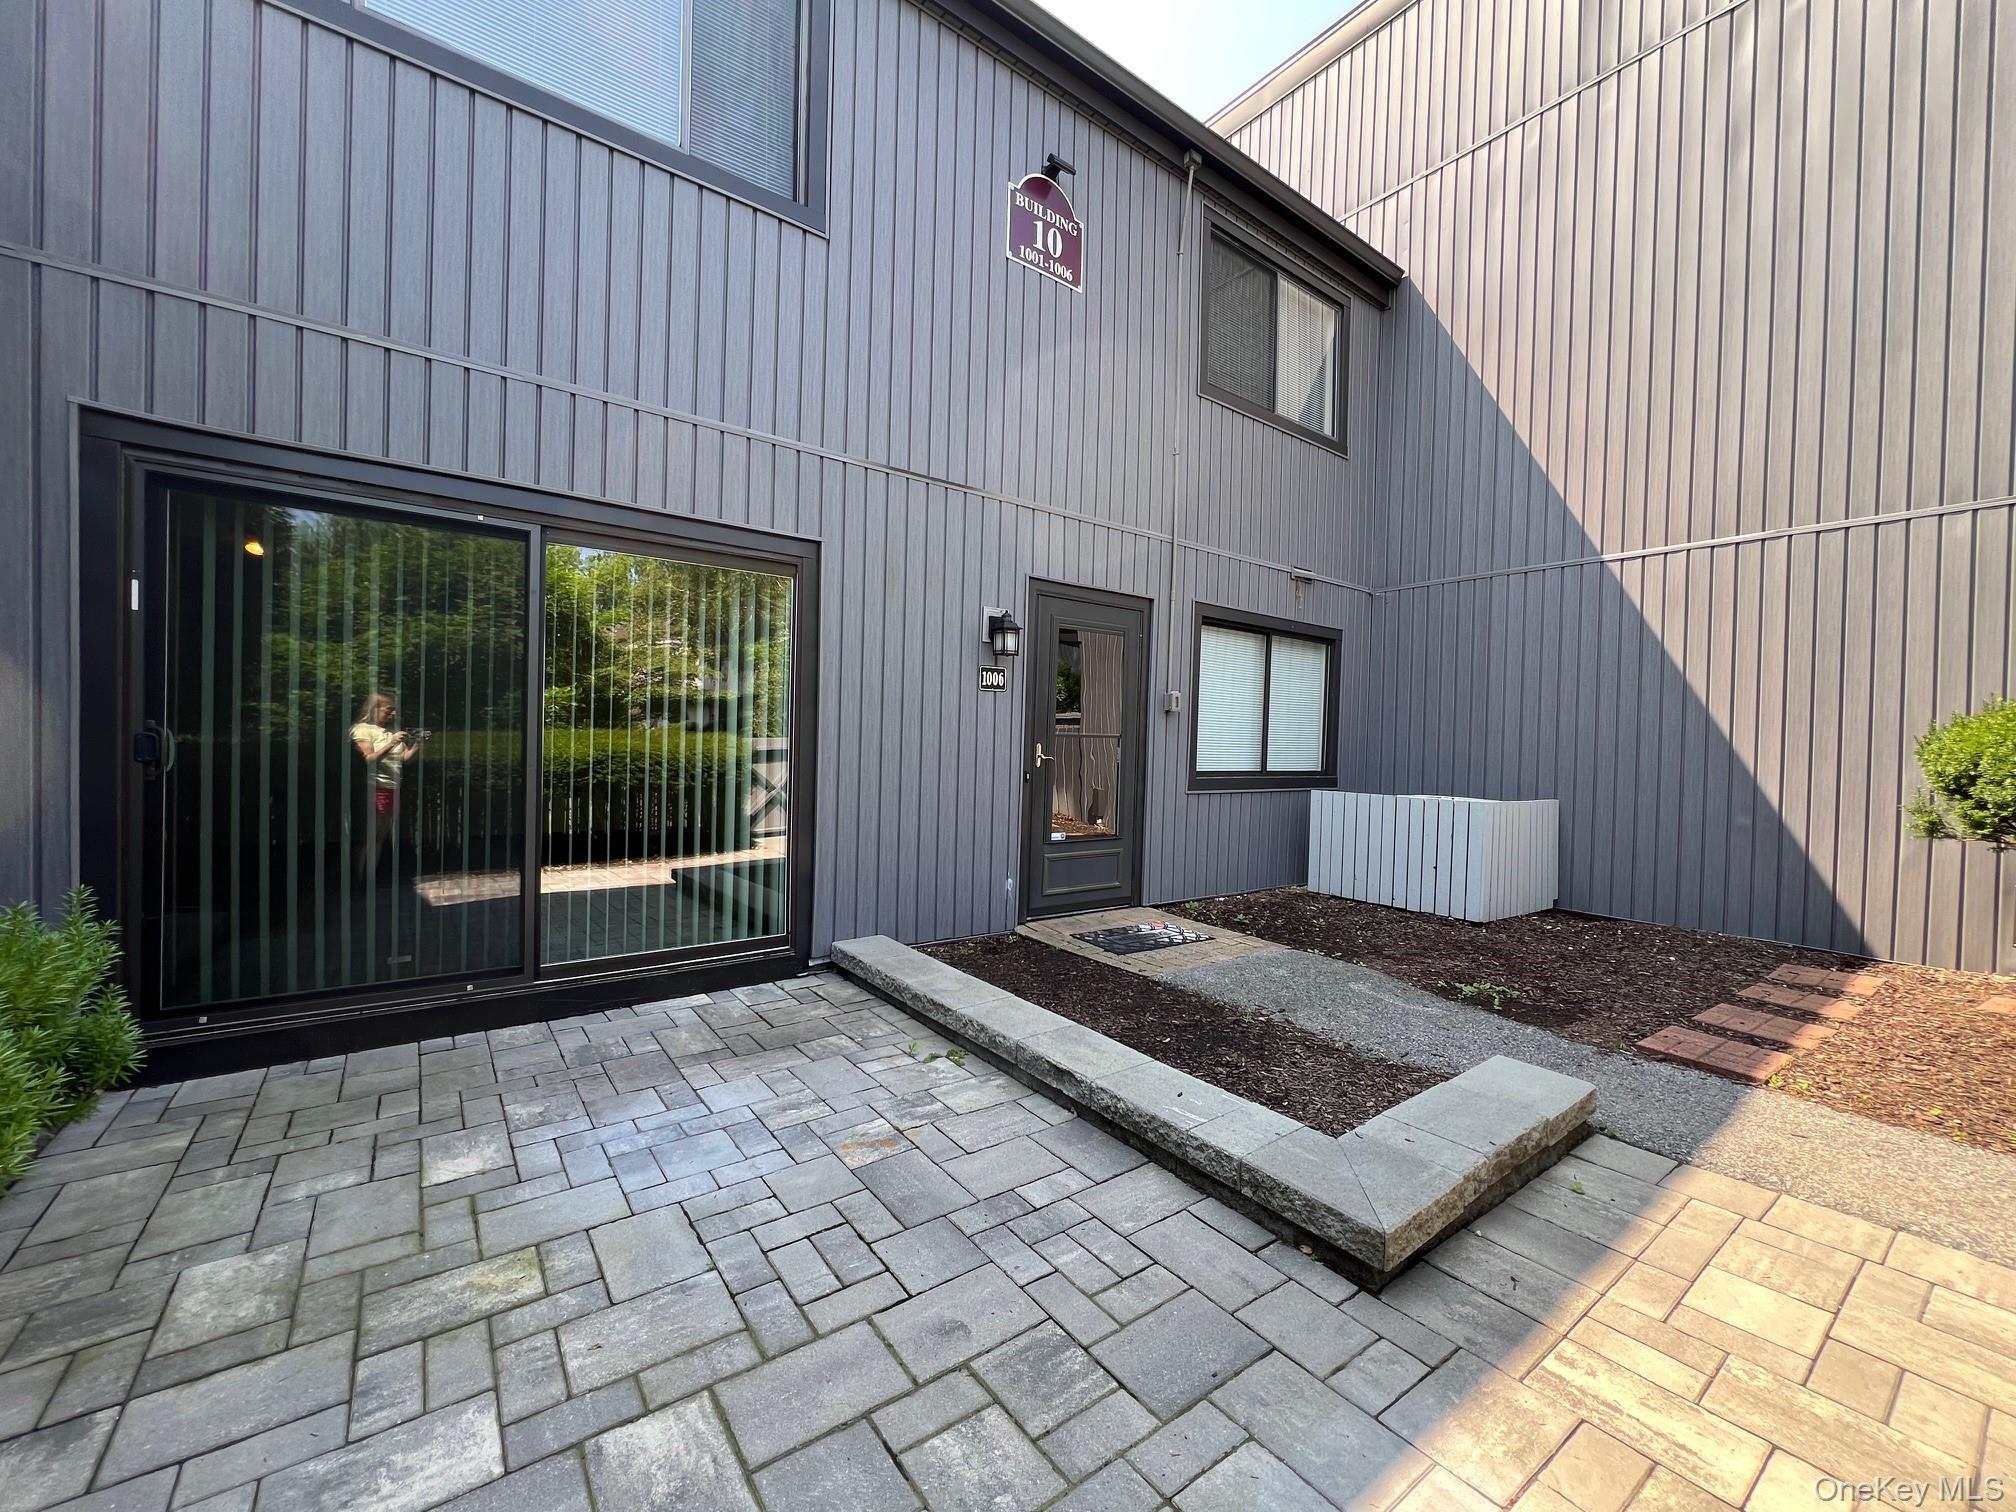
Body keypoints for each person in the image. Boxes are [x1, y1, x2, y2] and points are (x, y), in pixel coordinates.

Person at [351, 691, 421, 882]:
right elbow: (370, 759)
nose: (392, 715)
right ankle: (358, 877)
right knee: (371, 835)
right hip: (377, 787)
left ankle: (370, 877)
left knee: (380, 837)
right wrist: (391, 743)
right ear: (375, 709)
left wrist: (416, 745)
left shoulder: (391, 732)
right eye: (388, 711)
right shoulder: (362, 729)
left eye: (394, 712)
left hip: (393, 788)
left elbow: (403, 759)